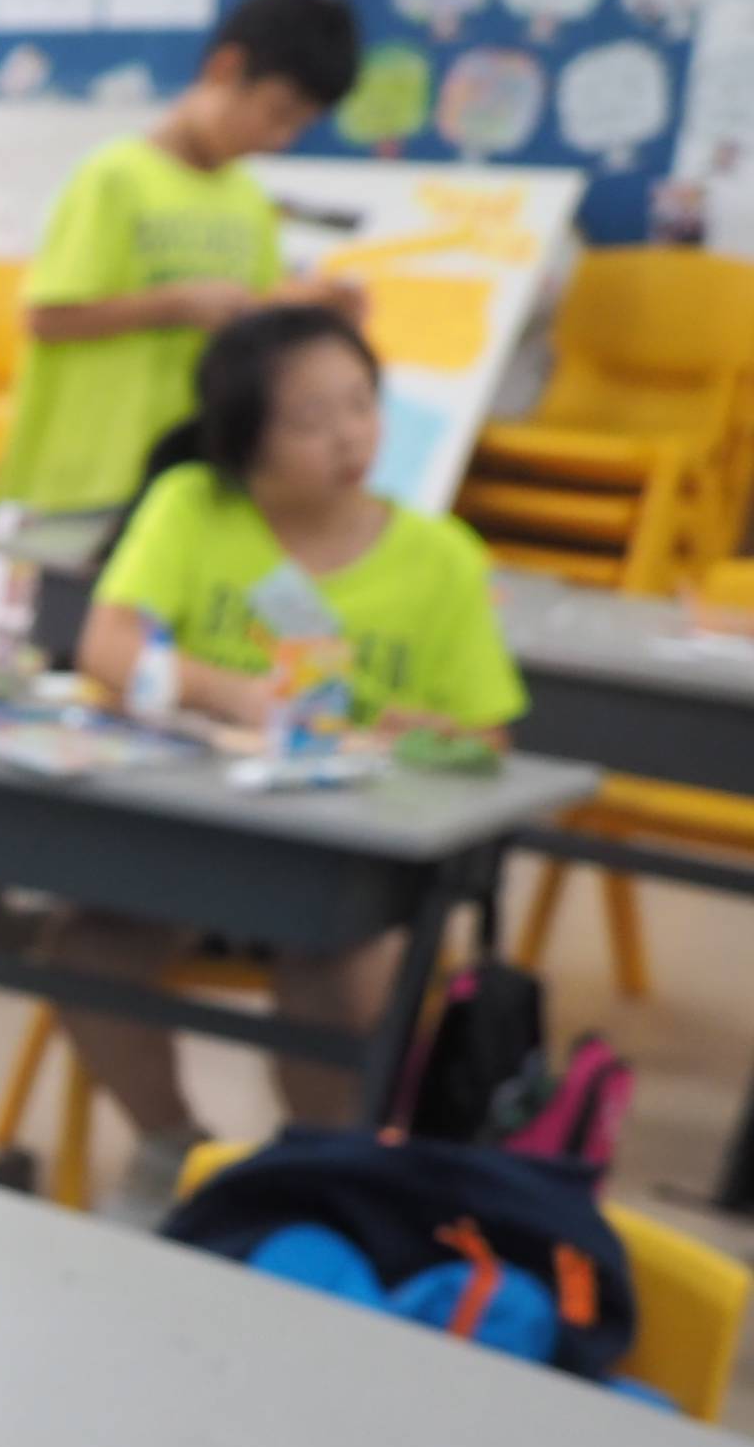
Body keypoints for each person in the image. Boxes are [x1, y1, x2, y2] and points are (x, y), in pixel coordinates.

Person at [54, 305, 525, 1227]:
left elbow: (489, 739)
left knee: (334, 979)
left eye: (361, 405)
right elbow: (107, 645)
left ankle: (314, 1187)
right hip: (189, 840)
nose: (349, 438)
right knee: (85, 952)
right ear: (245, 440)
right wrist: (233, 694)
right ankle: (170, 1148)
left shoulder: (440, 559)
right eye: (310, 420)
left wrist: (420, 733)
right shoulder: (193, 506)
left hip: (344, 870)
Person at [0, 0, 365, 646]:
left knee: (154, 646)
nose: (279, 138)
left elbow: (251, 327)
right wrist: (174, 304)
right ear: (226, 69)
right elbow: (46, 316)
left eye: (298, 125)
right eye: (275, 113)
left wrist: (316, 313)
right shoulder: (116, 177)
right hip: (88, 473)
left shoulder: (247, 201)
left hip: (195, 471)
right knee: (59, 641)